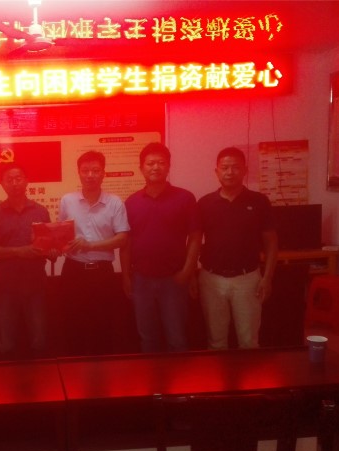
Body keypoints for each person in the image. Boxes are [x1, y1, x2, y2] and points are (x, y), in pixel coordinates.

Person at [120, 142, 202, 353]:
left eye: (161, 163)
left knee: (177, 338)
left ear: (168, 167)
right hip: (141, 280)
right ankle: (151, 375)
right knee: (147, 339)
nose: (155, 167)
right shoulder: (132, 202)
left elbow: (195, 237)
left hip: (174, 279)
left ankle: (179, 376)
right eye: (150, 163)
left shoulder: (185, 198)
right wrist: (126, 277)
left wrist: (188, 272)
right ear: (141, 168)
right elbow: (127, 242)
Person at [197, 147, 278, 349]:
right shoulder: (205, 203)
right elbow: (195, 241)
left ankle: (249, 372)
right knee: (216, 341)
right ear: (216, 171)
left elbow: (271, 242)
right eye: (225, 167)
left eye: (235, 167)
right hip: (211, 279)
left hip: (247, 279)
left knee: (249, 341)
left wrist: (267, 278)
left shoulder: (259, 201)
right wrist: (191, 275)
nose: (230, 172)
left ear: (245, 171)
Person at [59, 150, 129, 356]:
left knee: (103, 324)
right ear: (79, 173)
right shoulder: (67, 200)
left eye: (95, 170)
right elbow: (61, 234)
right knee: (73, 324)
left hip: (102, 273)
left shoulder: (115, 202)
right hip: (73, 271)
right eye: (85, 170)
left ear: (103, 173)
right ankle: (74, 370)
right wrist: (55, 245)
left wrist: (89, 246)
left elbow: (122, 238)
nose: (90, 175)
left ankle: (102, 371)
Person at [0, 164, 52, 359]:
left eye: (18, 178)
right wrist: (19, 251)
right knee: (6, 343)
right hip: (7, 288)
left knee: (39, 340)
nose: (14, 183)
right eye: (9, 180)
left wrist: (54, 250)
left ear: (27, 181)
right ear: (2, 184)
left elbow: (47, 245)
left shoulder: (40, 212)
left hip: (36, 285)